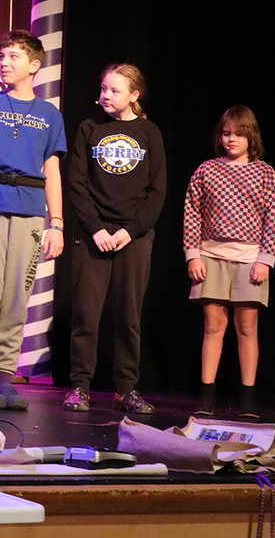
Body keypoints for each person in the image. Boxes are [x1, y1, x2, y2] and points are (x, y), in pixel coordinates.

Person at [0, 30, 66, 410]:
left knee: (17, 297)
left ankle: (6, 377)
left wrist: (57, 222)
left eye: (14, 56)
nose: (4, 61)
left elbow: (51, 169)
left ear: (35, 65)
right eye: (2, 55)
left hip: (31, 213)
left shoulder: (50, 115)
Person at [64, 64, 166, 414]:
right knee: (86, 315)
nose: (106, 95)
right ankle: (80, 386)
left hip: (133, 236)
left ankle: (126, 388)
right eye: (104, 88)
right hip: (93, 233)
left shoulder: (149, 132)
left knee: (129, 316)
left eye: (115, 91)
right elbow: (77, 183)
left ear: (134, 96)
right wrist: (96, 228)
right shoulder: (89, 128)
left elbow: (157, 191)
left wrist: (129, 231)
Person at [184, 106, 275, 419]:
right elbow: (191, 214)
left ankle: (248, 400)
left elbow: (274, 219)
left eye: (238, 134)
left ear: (251, 136)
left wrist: (266, 259)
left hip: (250, 259)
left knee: (247, 327)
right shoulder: (206, 170)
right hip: (212, 256)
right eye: (226, 133)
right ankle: (206, 396)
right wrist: (193, 254)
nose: (231, 140)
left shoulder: (266, 173)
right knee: (213, 326)